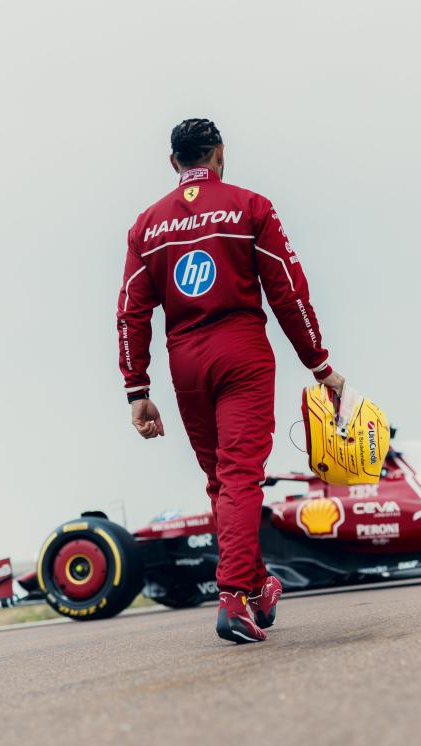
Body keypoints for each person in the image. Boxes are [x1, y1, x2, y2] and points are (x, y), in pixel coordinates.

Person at [116, 118, 344, 643]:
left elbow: (130, 312)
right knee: (240, 475)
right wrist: (320, 365)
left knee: (223, 482)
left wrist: (137, 390)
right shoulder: (250, 207)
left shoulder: (145, 226)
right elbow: (288, 291)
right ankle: (234, 597)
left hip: (185, 361)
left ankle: (258, 586)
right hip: (241, 352)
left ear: (173, 162)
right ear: (219, 154)